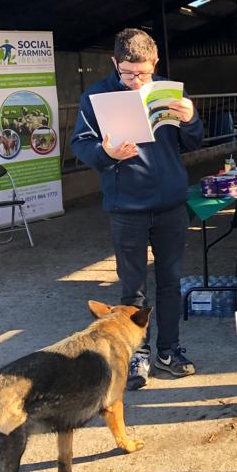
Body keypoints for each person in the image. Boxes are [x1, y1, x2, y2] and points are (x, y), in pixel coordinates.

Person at [70, 28, 204, 390]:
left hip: (171, 203)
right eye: (128, 74)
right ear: (115, 63)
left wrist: (191, 117)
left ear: (155, 62)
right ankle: (137, 354)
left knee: (171, 281)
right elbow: (80, 144)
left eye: (143, 73)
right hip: (126, 206)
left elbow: (194, 140)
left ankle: (169, 350)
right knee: (132, 289)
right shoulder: (96, 96)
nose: (135, 81)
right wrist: (105, 154)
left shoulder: (169, 93)